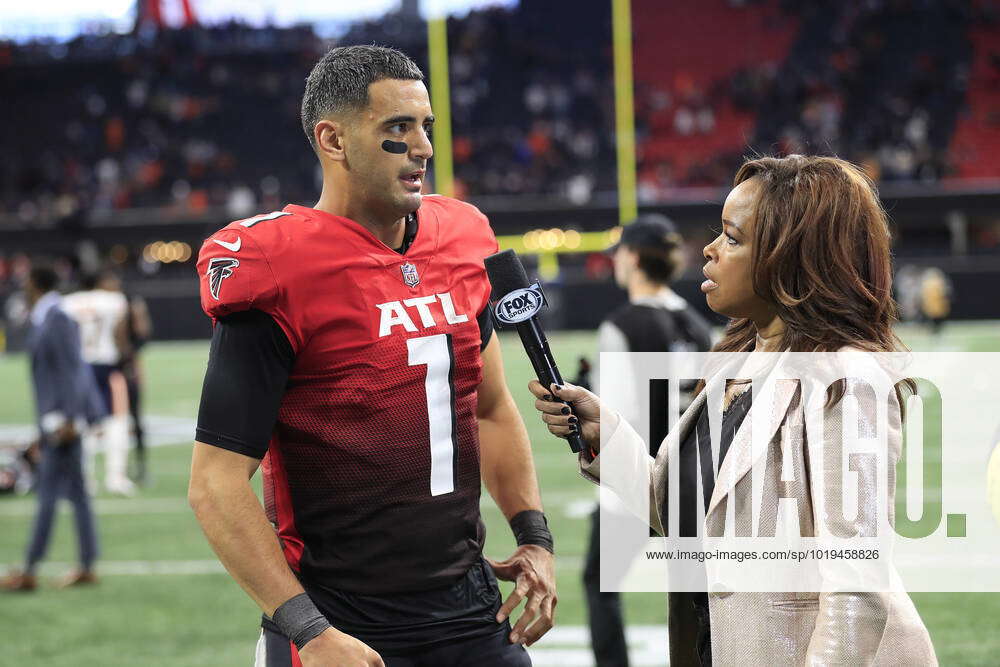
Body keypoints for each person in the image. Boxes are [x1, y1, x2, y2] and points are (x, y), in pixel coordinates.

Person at [188, 45, 555, 667]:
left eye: (426, 127)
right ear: (333, 140)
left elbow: (489, 407)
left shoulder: (464, 236)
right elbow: (215, 483)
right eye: (397, 128)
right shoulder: (278, 265)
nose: (424, 148)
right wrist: (309, 630)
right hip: (339, 617)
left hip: (470, 611)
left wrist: (534, 538)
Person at [527, 155, 937, 665]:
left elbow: (857, 587)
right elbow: (687, 516)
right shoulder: (737, 364)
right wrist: (604, 432)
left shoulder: (845, 378)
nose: (709, 248)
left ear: (793, 259)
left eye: (733, 237)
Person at [585, 214, 712, 667]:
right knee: (697, 600)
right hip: (693, 484)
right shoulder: (699, 327)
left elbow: (613, 418)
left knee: (600, 584)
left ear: (634, 258)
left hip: (638, 482)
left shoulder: (622, 325)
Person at [1, 263, 101, 591]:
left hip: (62, 423)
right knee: (76, 495)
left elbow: (73, 370)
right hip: (57, 421)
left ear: (35, 283)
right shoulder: (49, 315)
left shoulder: (57, 316)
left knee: (47, 493)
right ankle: (86, 564)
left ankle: (30, 568)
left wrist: (70, 418)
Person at [62, 271, 135, 496]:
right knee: (118, 421)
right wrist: (127, 361)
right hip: (106, 366)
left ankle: (85, 479)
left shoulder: (68, 303)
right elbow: (120, 334)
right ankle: (116, 476)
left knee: (85, 424)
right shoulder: (114, 301)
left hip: (80, 368)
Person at [119, 289, 154, 485]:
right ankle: (125, 470)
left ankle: (139, 467)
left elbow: (142, 333)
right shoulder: (120, 303)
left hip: (124, 367)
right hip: (118, 368)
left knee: (133, 418)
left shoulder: (129, 302)